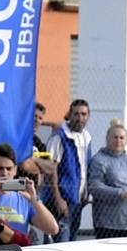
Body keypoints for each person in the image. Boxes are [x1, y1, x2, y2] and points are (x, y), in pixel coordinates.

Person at [0, 142, 59, 239]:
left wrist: (34, 200)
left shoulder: (24, 199)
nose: (4, 173)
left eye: (9, 169)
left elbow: (53, 229)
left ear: (15, 170)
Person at [86, 122, 127, 238]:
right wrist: (120, 193)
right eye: (115, 137)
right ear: (107, 139)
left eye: (122, 138)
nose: (118, 141)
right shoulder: (99, 160)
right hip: (108, 223)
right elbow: (94, 186)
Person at [44, 98, 92, 241]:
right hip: (61, 199)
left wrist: (85, 194)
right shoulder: (59, 137)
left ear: (88, 116)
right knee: (60, 243)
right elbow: (51, 169)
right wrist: (58, 199)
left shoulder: (86, 137)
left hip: (77, 200)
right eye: (76, 114)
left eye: (83, 114)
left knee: (72, 242)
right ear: (70, 115)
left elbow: (84, 168)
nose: (80, 118)